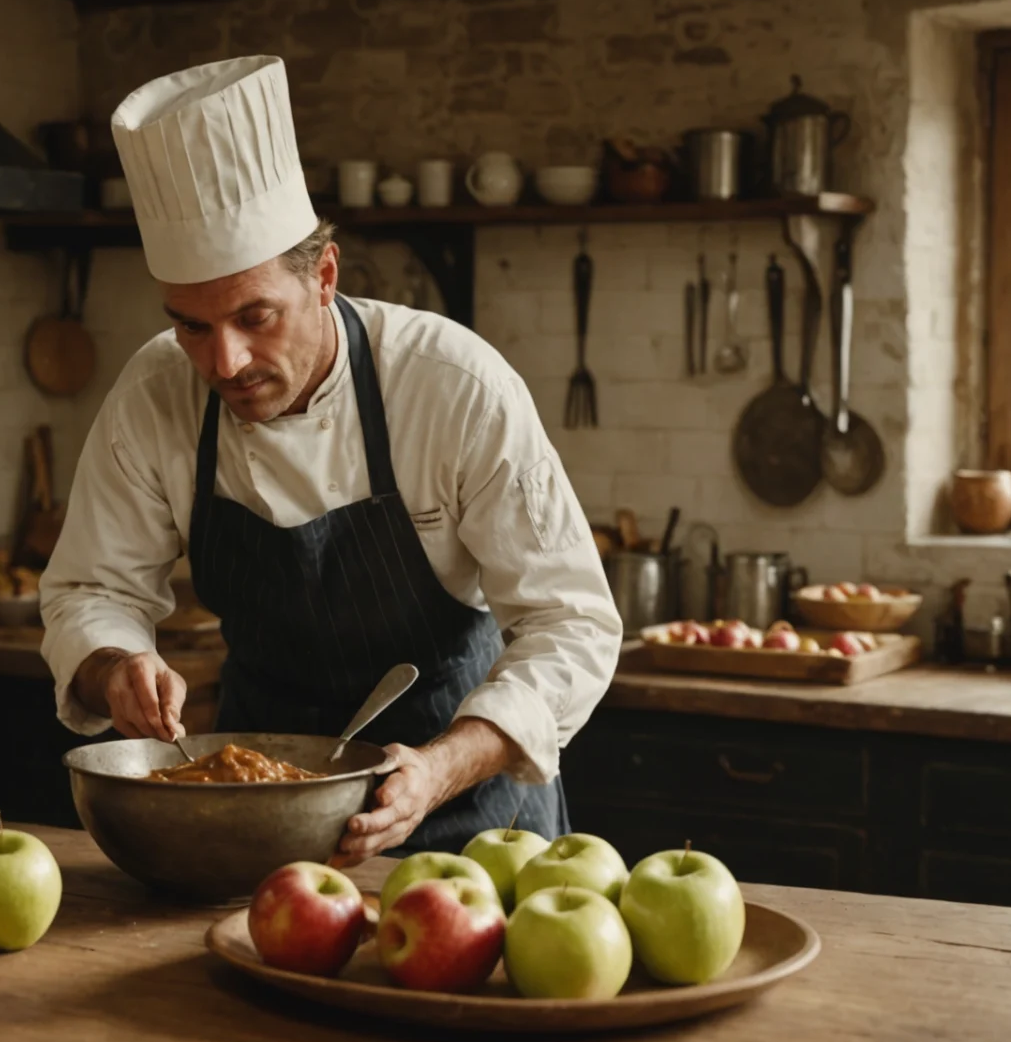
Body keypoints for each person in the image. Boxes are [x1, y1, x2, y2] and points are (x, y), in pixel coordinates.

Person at [40, 55, 620, 863]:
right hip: (259, 820)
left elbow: (572, 624)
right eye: (193, 326)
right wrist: (115, 665)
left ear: (324, 277)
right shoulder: (154, 395)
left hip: (467, 824)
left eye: (255, 317)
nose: (226, 362)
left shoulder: (452, 385)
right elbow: (91, 587)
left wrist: (444, 766)